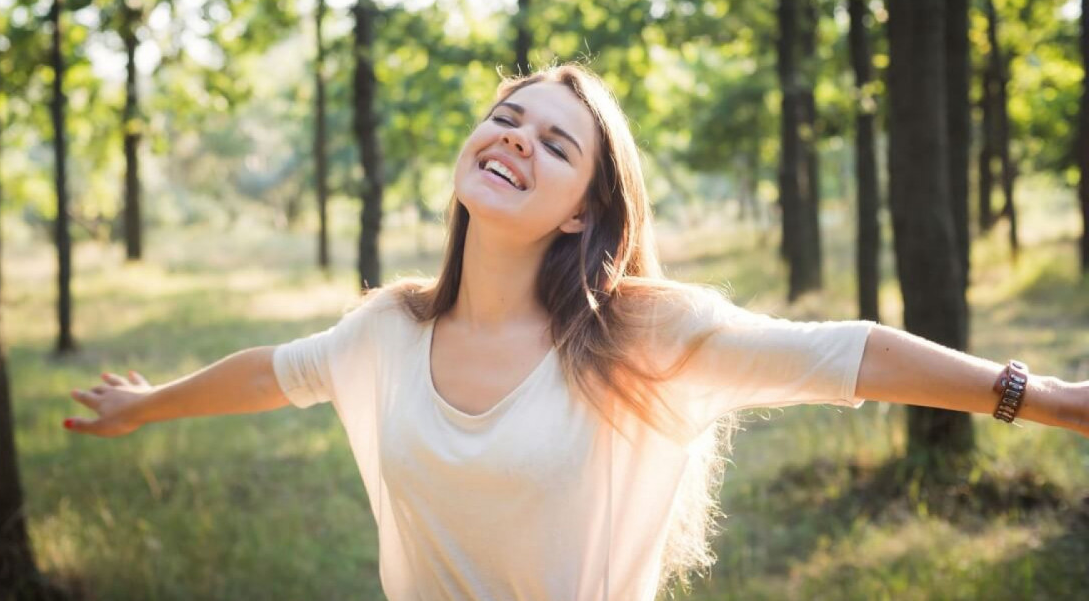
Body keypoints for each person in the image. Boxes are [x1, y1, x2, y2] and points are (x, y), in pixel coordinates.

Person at [65, 64, 1088, 601]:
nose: (516, 138)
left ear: (580, 215)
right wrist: (147, 407)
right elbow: (269, 375)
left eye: (555, 144)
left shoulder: (638, 335)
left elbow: (849, 352)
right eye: (508, 118)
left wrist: (1044, 399)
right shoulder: (386, 330)